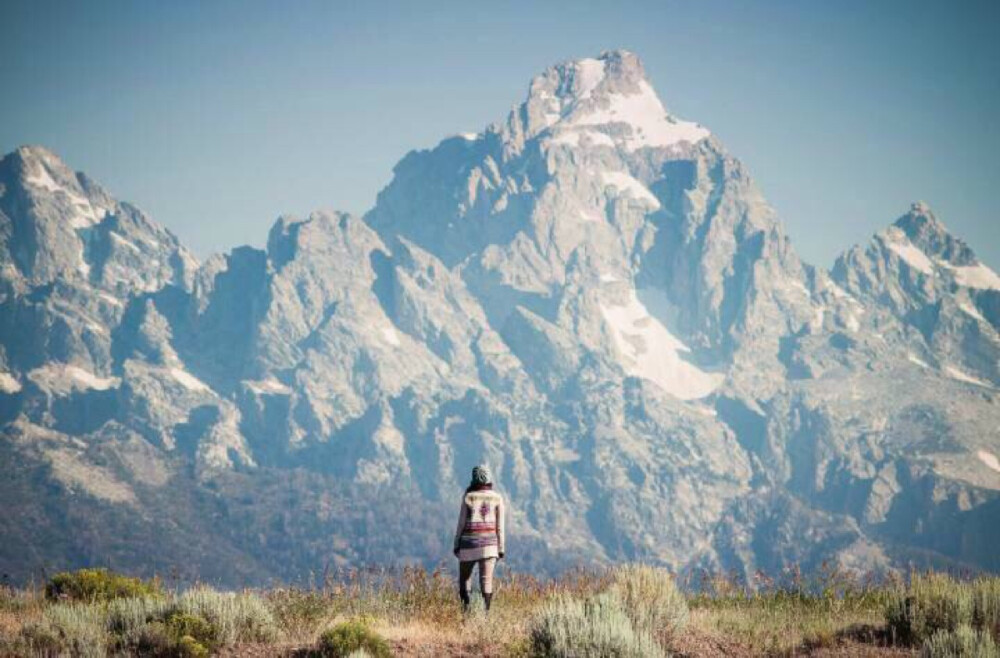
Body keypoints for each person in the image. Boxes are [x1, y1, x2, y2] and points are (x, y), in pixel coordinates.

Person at [453, 464, 505, 613]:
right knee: (486, 580)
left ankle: (466, 612)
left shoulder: (469, 496)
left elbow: (461, 523)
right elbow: (500, 526)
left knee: (464, 579)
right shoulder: (497, 498)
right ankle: (486, 615)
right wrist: (501, 548)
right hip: (490, 545)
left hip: (468, 543)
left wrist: (456, 543)